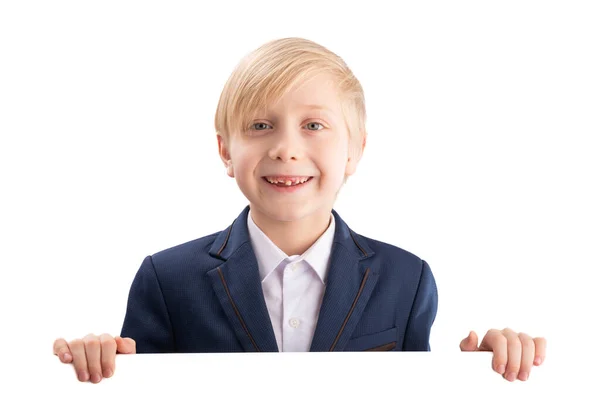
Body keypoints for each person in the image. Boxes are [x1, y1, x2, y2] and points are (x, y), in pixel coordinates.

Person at [53, 37, 546, 384]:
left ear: (354, 151)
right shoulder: (167, 278)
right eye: (261, 125)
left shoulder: (407, 277)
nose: (287, 149)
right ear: (226, 152)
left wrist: (475, 376)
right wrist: (98, 367)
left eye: (313, 125)